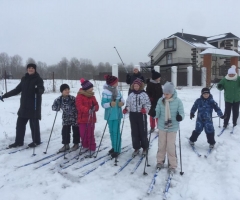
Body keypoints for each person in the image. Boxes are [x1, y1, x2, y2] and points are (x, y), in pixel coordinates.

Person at [0, 63, 44, 148]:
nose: (30, 69)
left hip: (33, 106)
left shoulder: (38, 79)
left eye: (32, 68)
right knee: (20, 125)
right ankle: (19, 142)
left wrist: (38, 90)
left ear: (35, 70)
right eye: (29, 68)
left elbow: (41, 89)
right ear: (27, 69)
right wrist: (5, 95)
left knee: (34, 125)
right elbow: (17, 90)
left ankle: (36, 141)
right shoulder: (24, 79)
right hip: (24, 106)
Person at [155, 82, 184, 173]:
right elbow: (157, 112)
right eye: (164, 93)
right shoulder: (161, 100)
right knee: (161, 145)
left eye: (167, 94)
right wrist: (153, 113)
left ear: (172, 92)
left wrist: (180, 116)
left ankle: (172, 165)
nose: (165, 95)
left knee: (170, 146)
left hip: (172, 127)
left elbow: (182, 113)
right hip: (162, 126)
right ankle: (160, 161)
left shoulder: (178, 101)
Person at [123, 78, 151, 157]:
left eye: (137, 86)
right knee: (134, 132)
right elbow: (128, 104)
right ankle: (136, 147)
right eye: (134, 86)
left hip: (141, 115)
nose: (136, 87)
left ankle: (145, 147)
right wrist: (126, 109)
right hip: (133, 115)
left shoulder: (144, 94)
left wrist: (145, 109)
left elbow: (148, 104)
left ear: (140, 86)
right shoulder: (131, 95)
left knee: (143, 131)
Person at [101, 75, 125, 158]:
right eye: (116, 82)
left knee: (116, 132)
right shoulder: (106, 92)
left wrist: (122, 102)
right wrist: (110, 104)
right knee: (111, 132)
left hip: (117, 114)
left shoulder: (117, 91)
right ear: (112, 83)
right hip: (110, 115)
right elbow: (103, 104)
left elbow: (122, 99)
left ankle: (117, 149)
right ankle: (114, 147)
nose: (117, 83)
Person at [52, 84, 80, 152]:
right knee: (65, 132)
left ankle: (76, 144)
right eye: (65, 90)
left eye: (68, 89)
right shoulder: (58, 99)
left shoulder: (73, 98)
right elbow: (53, 107)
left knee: (76, 131)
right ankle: (66, 145)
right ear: (62, 91)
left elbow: (78, 105)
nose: (67, 91)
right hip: (65, 118)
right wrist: (57, 108)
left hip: (74, 117)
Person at [75, 78, 99, 153]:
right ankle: (85, 145)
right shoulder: (79, 96)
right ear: (86, 88)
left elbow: (97, 105)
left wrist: (94, 108)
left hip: (91, 119)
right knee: (83, 134)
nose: (92, 88)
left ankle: (92, 147)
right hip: (82, 119)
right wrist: (87, 110)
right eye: (91, 87)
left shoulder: (92, 96)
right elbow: (79, 106)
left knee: (90, 133)